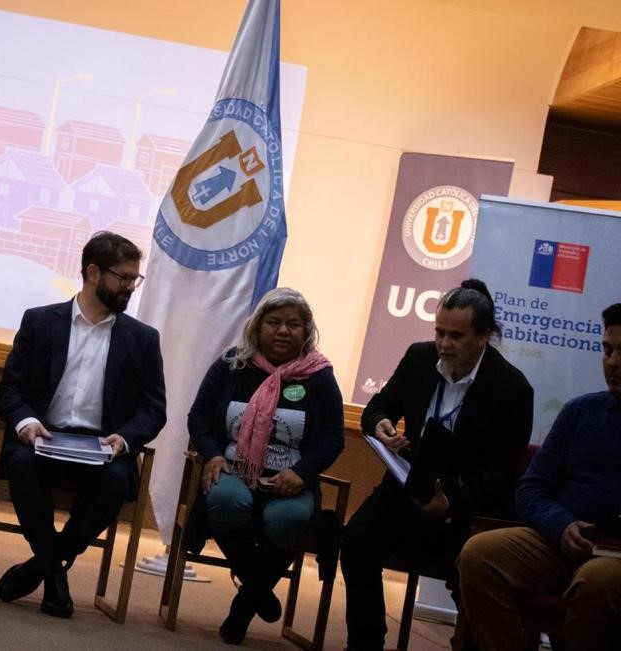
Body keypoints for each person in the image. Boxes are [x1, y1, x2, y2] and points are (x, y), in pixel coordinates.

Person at [340, 278, 534, 651]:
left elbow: (500, 471)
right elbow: (379, 406)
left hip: (466, 505)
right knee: (356, 541)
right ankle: (366, 643)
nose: (444, 345)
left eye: (456, 337)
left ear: (484, 336)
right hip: (407, 485)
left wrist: (453, 504)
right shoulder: (419, 358)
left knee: (474, 574)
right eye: (440, 333)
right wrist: (379, 424)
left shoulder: (512, 388)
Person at [0, 231, 166, 618]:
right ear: (92, 272)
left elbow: (154, 409)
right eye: (123, 278)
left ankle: (42, 567)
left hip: (103, 445)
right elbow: (9, 390)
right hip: (45, 435)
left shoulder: (142, 339)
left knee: (119, 482)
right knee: (21, 466)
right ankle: (54, 570)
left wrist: (124, 439)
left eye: (135, 279)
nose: (130, 287)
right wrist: (26, 423)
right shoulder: (40, 322)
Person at [455, 303, 621, 651]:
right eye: (607, 350)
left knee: (595, 582)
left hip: (615, 556)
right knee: (478, 554)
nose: (613, 362)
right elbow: (531, 487)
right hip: (560, 540)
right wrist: (561, 525)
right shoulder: (581, 410)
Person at [188, 288, 345, 645]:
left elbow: (334, 437)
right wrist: (211, 453)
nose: (283, 331)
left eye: (294, 324)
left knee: (290, 520)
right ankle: (259, 591)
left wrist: (302, 472)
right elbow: (198, 415)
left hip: (290, 479)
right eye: (274, 322)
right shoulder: (232, 364)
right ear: (258, 326)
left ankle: (243, 606)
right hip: (231, 470)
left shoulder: (319, 376)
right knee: (225, 503)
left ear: (306, 331)